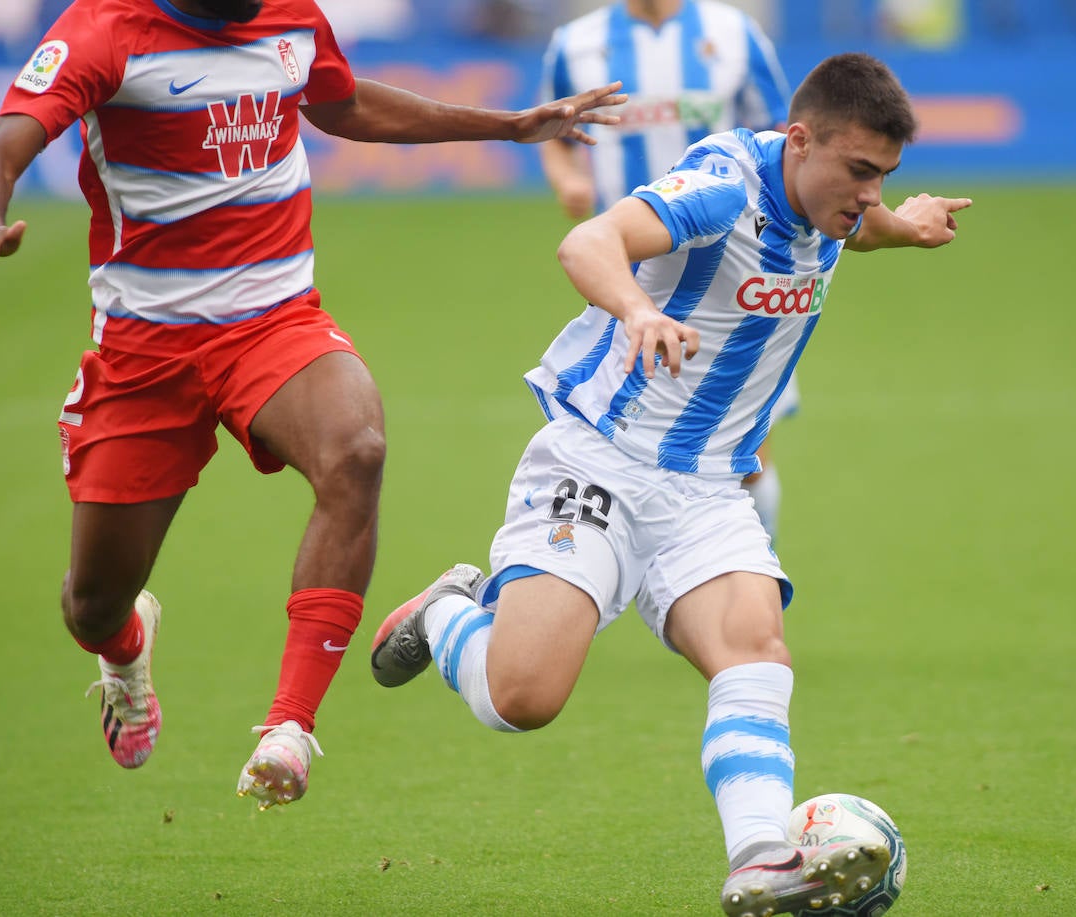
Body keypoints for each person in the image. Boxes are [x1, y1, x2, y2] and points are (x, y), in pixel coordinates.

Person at [371, 52, 970, 915]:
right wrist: (641, 310)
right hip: (598, 459)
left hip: (707, 490)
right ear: (797, 141)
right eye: (861, 171)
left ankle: (761, 858)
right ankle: (444, 611)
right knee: (522, 700)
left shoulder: (836, 205)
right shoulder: (724, 187)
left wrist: (903, 225)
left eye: (886, 176)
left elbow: (848, 228)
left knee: (756, 649)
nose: (870, 192)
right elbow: (589, 240)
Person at [0, 0, 624, 810]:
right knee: (93, 602)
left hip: (276, 320)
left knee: (355, 448)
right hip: (146, 349)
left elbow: (342, 101)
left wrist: (506, 126)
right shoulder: (104, 28)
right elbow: (16, 130)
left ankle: (289, 728)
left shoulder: (289, 16)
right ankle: (125, 644)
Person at [538, 0, 796, 542]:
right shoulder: (576, 44)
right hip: (628, 276)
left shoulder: (734, 34)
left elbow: (788, 143)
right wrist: (568, 183)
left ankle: (753, 569)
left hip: (734, 275)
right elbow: (556, 139)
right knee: (617, 433)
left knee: (743, 449)